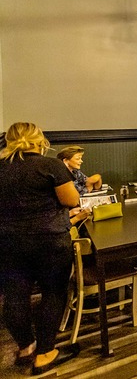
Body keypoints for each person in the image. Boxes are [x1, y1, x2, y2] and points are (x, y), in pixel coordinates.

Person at [0, 122, 81, 374]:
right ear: (39, 139)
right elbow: (71, 200)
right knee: (53, 293)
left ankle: (26, 347)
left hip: (8, 241)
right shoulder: (50, 165)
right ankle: (45, 353)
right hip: (49, 240)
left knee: (14, 296)